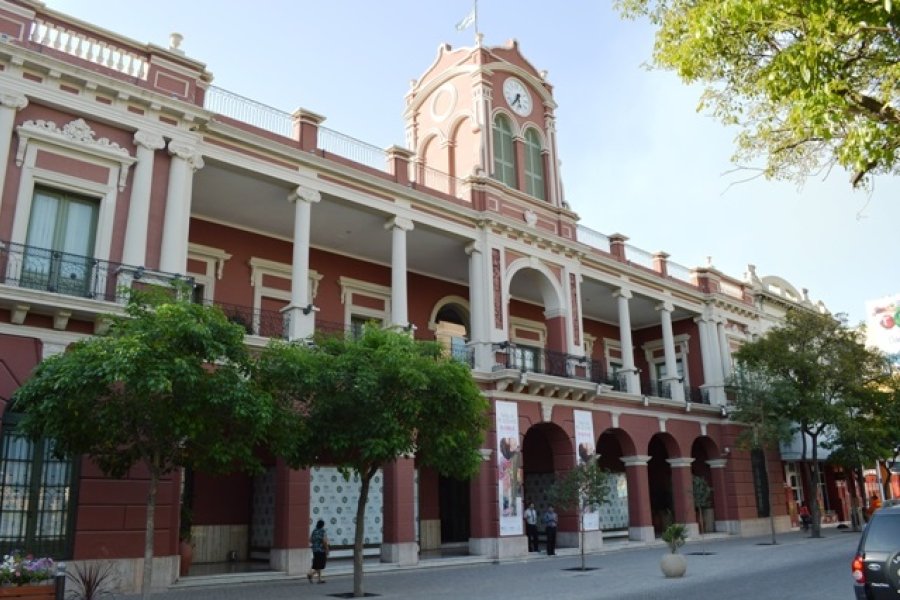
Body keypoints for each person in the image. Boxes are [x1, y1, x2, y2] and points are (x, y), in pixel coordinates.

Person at [307, 519, 330, 584]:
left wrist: (315, 543)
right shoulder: (323, 531)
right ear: (323, 525)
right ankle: (311, 574)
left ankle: (319, 579)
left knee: (317, 564)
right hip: (321, 550)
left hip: (315, 550)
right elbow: (324, 541)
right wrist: (327, 549)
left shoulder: (314, 531)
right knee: (321, 564)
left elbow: (310, 540)